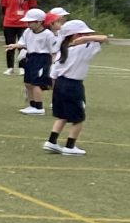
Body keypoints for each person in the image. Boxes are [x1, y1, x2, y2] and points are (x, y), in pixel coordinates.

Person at [43, 19, 108, 157]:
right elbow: (104, 38)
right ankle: (70, 146)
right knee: (78, 118)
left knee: (62, 115)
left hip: (60, 84)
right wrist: (86, 38)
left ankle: (52, 141)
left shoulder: (63, 49)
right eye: (82, 34)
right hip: (73, 85)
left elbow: (53, 74)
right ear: (74, 35)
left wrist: (55, 91)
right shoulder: (83, 48)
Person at [16, 8, 55, 115]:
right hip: (30, 58)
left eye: (30, 22)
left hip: (42, 59)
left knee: (36, 83)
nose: (28, 24)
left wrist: (54, 63)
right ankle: (32, 105)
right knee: (28, 83)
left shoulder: (48, 34)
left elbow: (53, 50)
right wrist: (14, 45)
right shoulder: (27, 32)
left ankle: (39, 107)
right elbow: (23, 43)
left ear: (39, 22)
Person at [0, 0, 37, 71]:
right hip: (9, 23)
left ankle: (22, 67)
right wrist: (9, 15)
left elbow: (32, 8)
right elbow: (3, 7)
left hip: (23, 23)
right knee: (10, 45)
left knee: (23, 46)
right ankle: (10, 67)